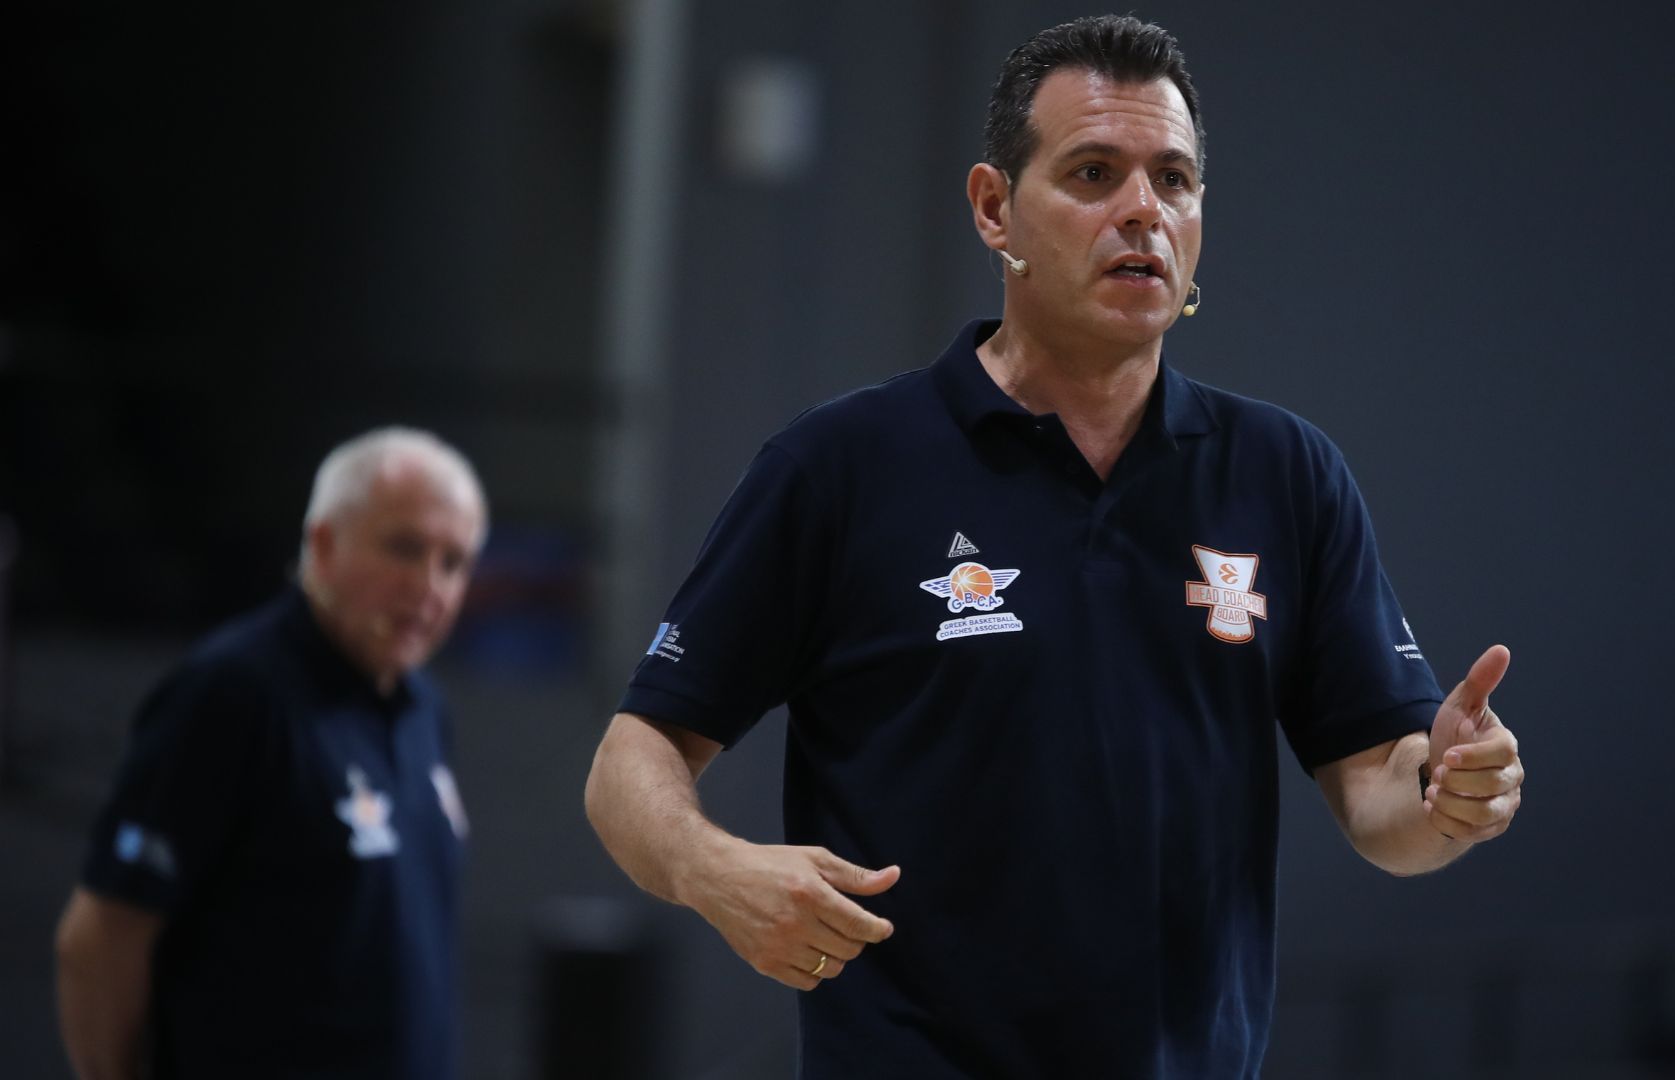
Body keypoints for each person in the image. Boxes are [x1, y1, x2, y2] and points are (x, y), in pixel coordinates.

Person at [584, 14, 1525, 1078]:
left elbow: (1381, 794)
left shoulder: (1285, 472)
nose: (1143, 210)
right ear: (995, 209)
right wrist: (714, 871)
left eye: (1174, 180)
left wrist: (1449, 797)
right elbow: (633, 757)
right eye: (1093, 174)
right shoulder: (842, 466)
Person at [53, 427, 488, 1080]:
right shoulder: (234, 695)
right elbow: (102, 936)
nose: (431, 586)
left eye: (454, 563)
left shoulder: (423, 708)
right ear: (324, 544)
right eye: (405, 548)